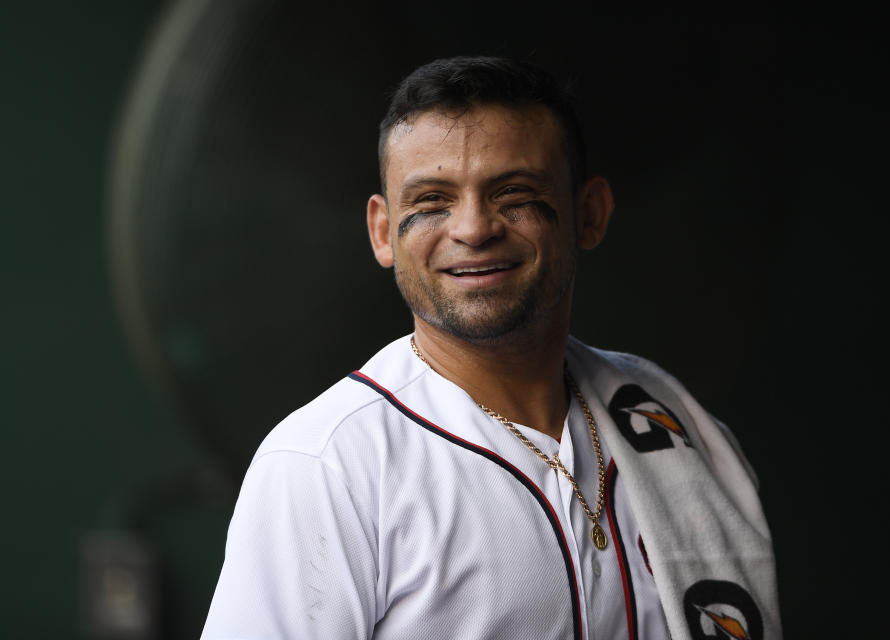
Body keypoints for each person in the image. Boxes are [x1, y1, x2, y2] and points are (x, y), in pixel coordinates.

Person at [202, 56, 781, 640]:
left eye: (514, 194)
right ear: (382, 232)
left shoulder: (667, 418)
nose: (474, 229)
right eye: (431, 201)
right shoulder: (327, 463)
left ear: (590, 214)